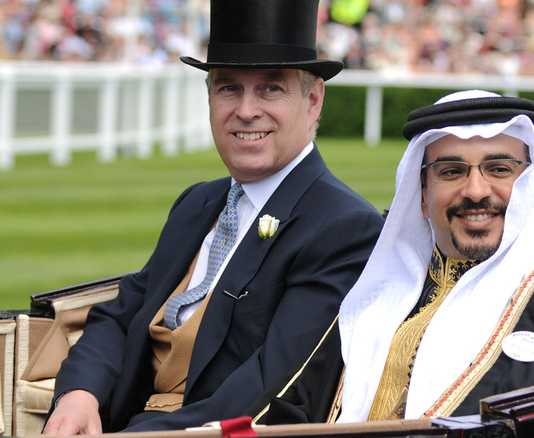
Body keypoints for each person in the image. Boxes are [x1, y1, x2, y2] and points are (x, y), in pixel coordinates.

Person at [43, 0, 384, 434]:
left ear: (313, 99)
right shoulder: (198, 203)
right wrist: (79, 397)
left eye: (270, 89)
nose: (245, 110)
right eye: (228, 88)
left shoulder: (343, 227)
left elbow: (271, 391)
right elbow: (121, 314)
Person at [247, 90, 534, 425]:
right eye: (451, 172)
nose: (477, 190)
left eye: (499, 168)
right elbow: (300, 406)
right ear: (421, 194)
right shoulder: (383, 287)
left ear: (530, 184)